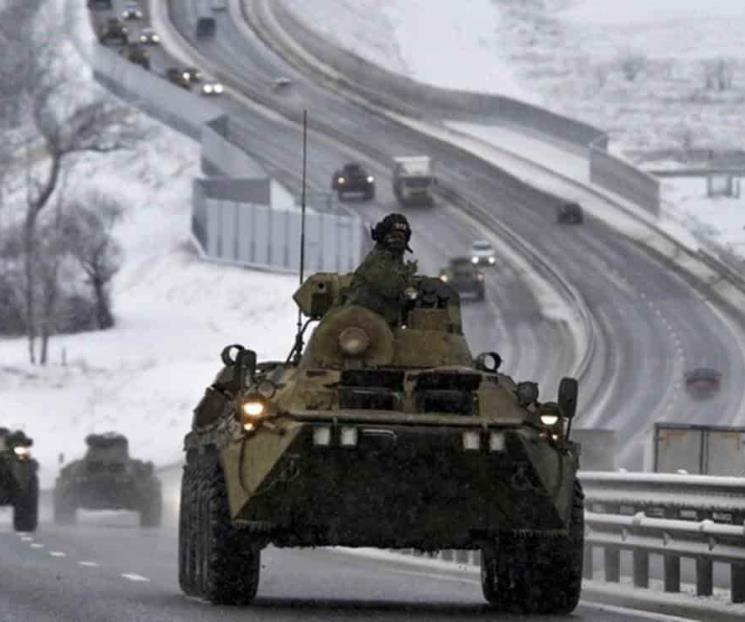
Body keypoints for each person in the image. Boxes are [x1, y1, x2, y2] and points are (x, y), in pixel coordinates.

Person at [344, 213, 417, 325]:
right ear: (383, 236)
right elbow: (391, 288)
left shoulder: (395, 261)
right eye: (393, 235)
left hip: (382, 323)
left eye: (401, 236)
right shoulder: (377, 259)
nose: (397, 240)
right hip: (361, 323)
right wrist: (408, 279)